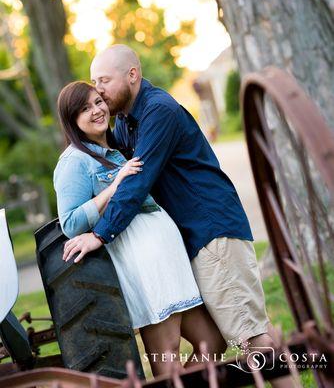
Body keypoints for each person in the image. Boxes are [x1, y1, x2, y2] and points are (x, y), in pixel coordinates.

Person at [62, 45, 292, 387]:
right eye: (95, 84)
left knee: (249, 336)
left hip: (212, 231)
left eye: (104, 82)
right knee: (231, 334)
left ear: (133, 75)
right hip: (194, 241)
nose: (99, 91)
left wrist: (100, 235)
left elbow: (137, 182)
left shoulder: (159, 111)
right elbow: (109, 168)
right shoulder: (127, 121)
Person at [54, 81, 225, 376]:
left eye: (98, 102)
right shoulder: (74, 161)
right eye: (85, 108)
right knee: (166, 351)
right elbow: (70, 223)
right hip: (144, 264)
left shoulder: (116, 148)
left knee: (212, 340)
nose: (96, 111)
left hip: (168, 259)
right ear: (72, 120)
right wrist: (114, 186)